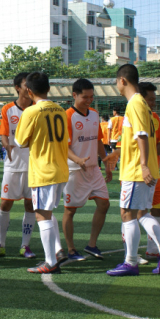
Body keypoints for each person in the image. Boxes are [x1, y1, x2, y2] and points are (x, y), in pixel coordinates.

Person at [106, 64, 160, 276]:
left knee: (127, 214)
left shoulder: (135, 103)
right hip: (144, 170)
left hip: (136, 171)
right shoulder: (143, 105)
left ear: (123, 81)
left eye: (116, 81)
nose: (116, 86)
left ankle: (130, 262)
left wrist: (144, 165)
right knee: (141, 213)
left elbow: (141, 136)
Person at [9, 72, 69, 274]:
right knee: (48, 213)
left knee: (42, 215)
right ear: (49, 88)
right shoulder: (61, 110)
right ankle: (56, 253)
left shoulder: (31, 112)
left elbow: (19, 142)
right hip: (60, 170)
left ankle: (50, 261)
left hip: (43, 171)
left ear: (28, 90)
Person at [61, 78, 112, 263]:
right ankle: (71, 249)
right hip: (74, 170)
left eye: (91, 97)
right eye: (85, 97)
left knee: (104, 204)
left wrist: (105, 161)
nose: (89, 100)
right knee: (70, 211)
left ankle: (91, 245)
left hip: (93, 169)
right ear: (74, 95)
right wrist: (78, 160)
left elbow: (98, 140)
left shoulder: (94, 114)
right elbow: (64, 147)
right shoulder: (67, 116)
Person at [0, 72, 37, 260]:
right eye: (26, 84)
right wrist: (6, 144)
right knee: (5, 203)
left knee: (30, 204)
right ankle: (0, 245)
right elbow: (3, 133)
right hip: (13, 164)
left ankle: (25, 246)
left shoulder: (37, 108)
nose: (29, 87)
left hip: (34, 166)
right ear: (18, 87)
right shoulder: (8, 109)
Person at [138, 82, 160, 261]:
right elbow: (122, 146)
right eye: (151, 99)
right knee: (132, 213)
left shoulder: (154, 117)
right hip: (136, 174)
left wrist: (151, 153)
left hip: (154, 172)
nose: (153, 103)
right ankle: (130, 254)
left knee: (159, 208)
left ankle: (152, 249)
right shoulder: (133, 115)